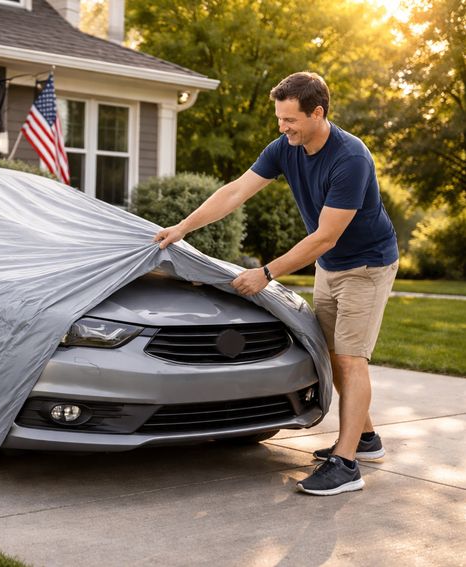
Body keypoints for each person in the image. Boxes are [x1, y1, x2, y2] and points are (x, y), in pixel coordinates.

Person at [154, 72, 398, 496]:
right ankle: (366, 439)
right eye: (279, 119)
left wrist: (265, 273)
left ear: (317, 113)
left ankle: (346, 464)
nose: (282, 128)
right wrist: (183, 226)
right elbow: (236, 191)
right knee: (331, 353)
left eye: (290, 120)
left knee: (351, 358)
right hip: (332, 265)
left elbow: (325, 235)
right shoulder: (285, 148)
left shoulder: (351, 158)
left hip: (367, 265)